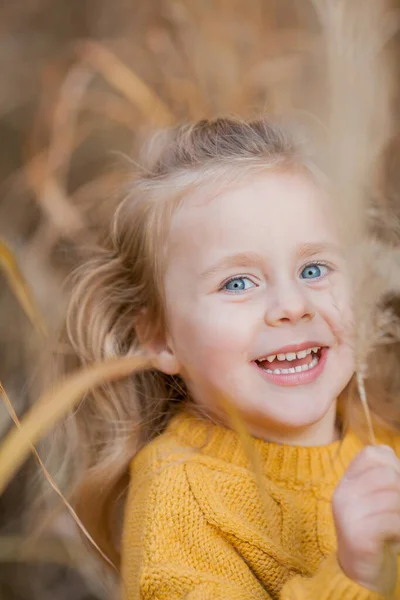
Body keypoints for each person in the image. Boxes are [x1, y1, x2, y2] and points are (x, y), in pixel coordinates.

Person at [63, 118, 400, 599]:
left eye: (314, 268)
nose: (292, 305)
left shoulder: (380, 435)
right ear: (161, 338)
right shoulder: (179, 501)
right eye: (238, 282)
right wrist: (353, 578)